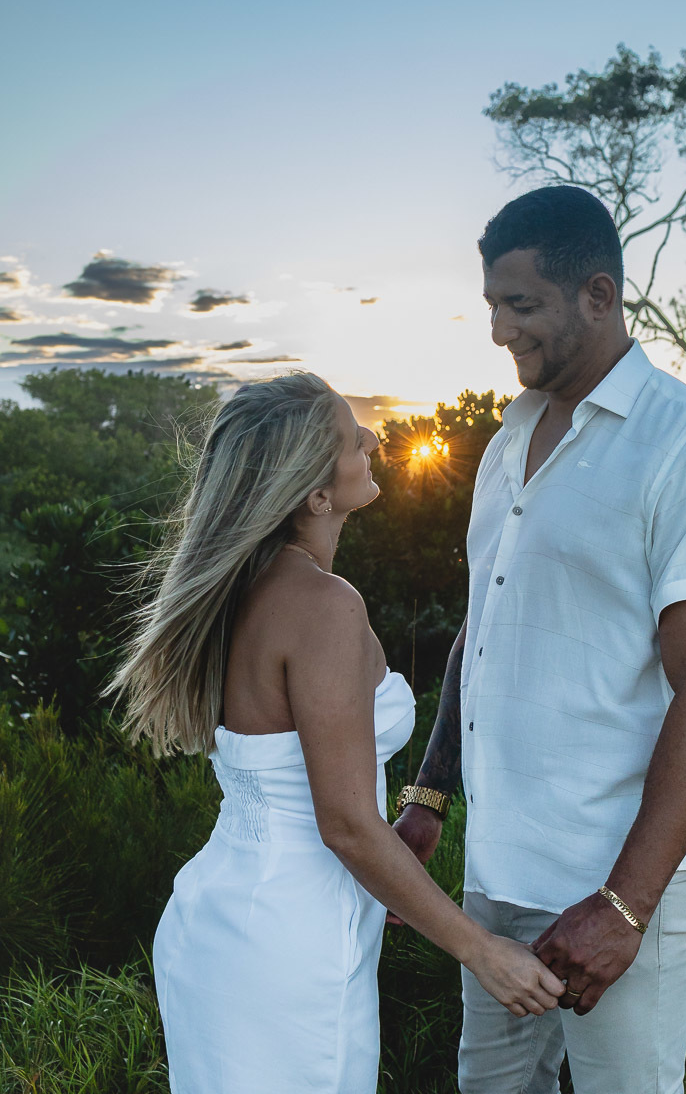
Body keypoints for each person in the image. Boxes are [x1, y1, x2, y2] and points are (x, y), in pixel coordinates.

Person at [394, 185, 686, 1094]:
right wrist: (428, 800)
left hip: (614, 879)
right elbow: (480, 632)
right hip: (497, 873)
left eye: (519, 306)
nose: (497, 330)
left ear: (597, 296)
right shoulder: (504, 440)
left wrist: (623, 905)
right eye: (490, 304)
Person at [109, 371, 562, 1094]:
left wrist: (399, 844)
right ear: (317, 496)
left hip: (233, 911)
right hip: (288, 939)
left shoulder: (241, 584)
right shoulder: (322, 605)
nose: (375, 438)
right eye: (353, 439)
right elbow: (346, 825)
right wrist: (482, 952)